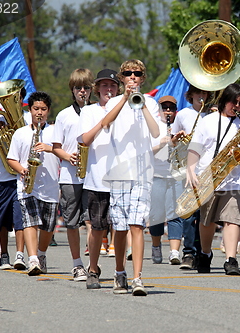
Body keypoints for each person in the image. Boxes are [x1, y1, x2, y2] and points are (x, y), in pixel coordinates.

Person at [101, 59, 160, 296]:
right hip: (119, 172)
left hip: (143, 172)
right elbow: (105, 124)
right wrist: (125, 98)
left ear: (143, 79)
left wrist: (142, 104)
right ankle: (119, 273)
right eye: (128, 74)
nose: (132, 77)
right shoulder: (115, 101)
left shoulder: (152, 103)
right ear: (122, 78)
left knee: (138, 225)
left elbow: (156, 133)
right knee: (121, 226)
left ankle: (137, 278)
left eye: (137, 74)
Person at [184, 83, 240, 275]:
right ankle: (205, 254)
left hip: (234, 179)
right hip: (208, 176)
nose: (237, 107)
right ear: (224, 101)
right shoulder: (207, 120)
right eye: (233, 102)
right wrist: (191, 169)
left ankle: (231, 259)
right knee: (207, 221)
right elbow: (195, 147)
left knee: (232, 220)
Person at [6, 91, 60, 276]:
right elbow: (11, 158)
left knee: (48, 227)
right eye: (36, 109)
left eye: (43, 109)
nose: (39, 113)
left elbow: (65, 153)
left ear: (48, 111)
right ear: (30, 110)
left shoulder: (54, 131)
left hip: (51, 186)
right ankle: (33, 258)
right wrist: (22, 169)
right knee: (30, 222)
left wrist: (50, 148)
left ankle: (42, 254)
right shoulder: (21, 133)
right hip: (27, 186)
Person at [77, 69, 120, 289]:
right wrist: (105, 120)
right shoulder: (89, 111)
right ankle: (93, 268)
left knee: (121, 227)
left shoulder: (125, 109)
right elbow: (84, 139)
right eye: (104, 86)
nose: (109, 90)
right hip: (97, 178)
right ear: (97, 89)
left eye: (112, 86)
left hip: (122, 177)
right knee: (97, 227)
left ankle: (120, 271)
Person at [52, 68, 93, 281]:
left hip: (93, 175)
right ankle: (77, 264)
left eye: (86, 87)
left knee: (93, 220)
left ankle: (93, 262)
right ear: (72, 90)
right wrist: (68, 157)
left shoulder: (96, 112)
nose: (83, 92)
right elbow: (56, 146)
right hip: (70, 175)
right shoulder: (63, 115)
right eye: (79, 88)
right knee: (71, 221)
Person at [0, 87, 28, 271]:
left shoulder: (27, 119)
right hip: (2, 177)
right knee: (2, 218)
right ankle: (4, 254)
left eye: (18, 98)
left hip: (20, 176)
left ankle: (20, 255)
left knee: (20, 217)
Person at [170, 84, 210, 270]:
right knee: (187, 213)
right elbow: (172, 142)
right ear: (191, 94)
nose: (201, 96)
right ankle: (188, 252)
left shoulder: (213, 116)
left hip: (207, 168)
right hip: (188, 168)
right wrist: (178, 138)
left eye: (205, 92)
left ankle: (203, 252)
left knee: (205, 214)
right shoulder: (183, 115)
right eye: (198, 92)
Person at [149, 95, 185, 265]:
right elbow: (150, 151)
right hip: (157, 174)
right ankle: (156, 246)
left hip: (176, 174)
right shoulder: (154, 127)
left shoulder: (180, 125)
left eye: (171, 108)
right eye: (165, 108)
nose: (168, 111)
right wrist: (164, 143)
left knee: (175, 213)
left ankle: (174, 251)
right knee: (156, 214)